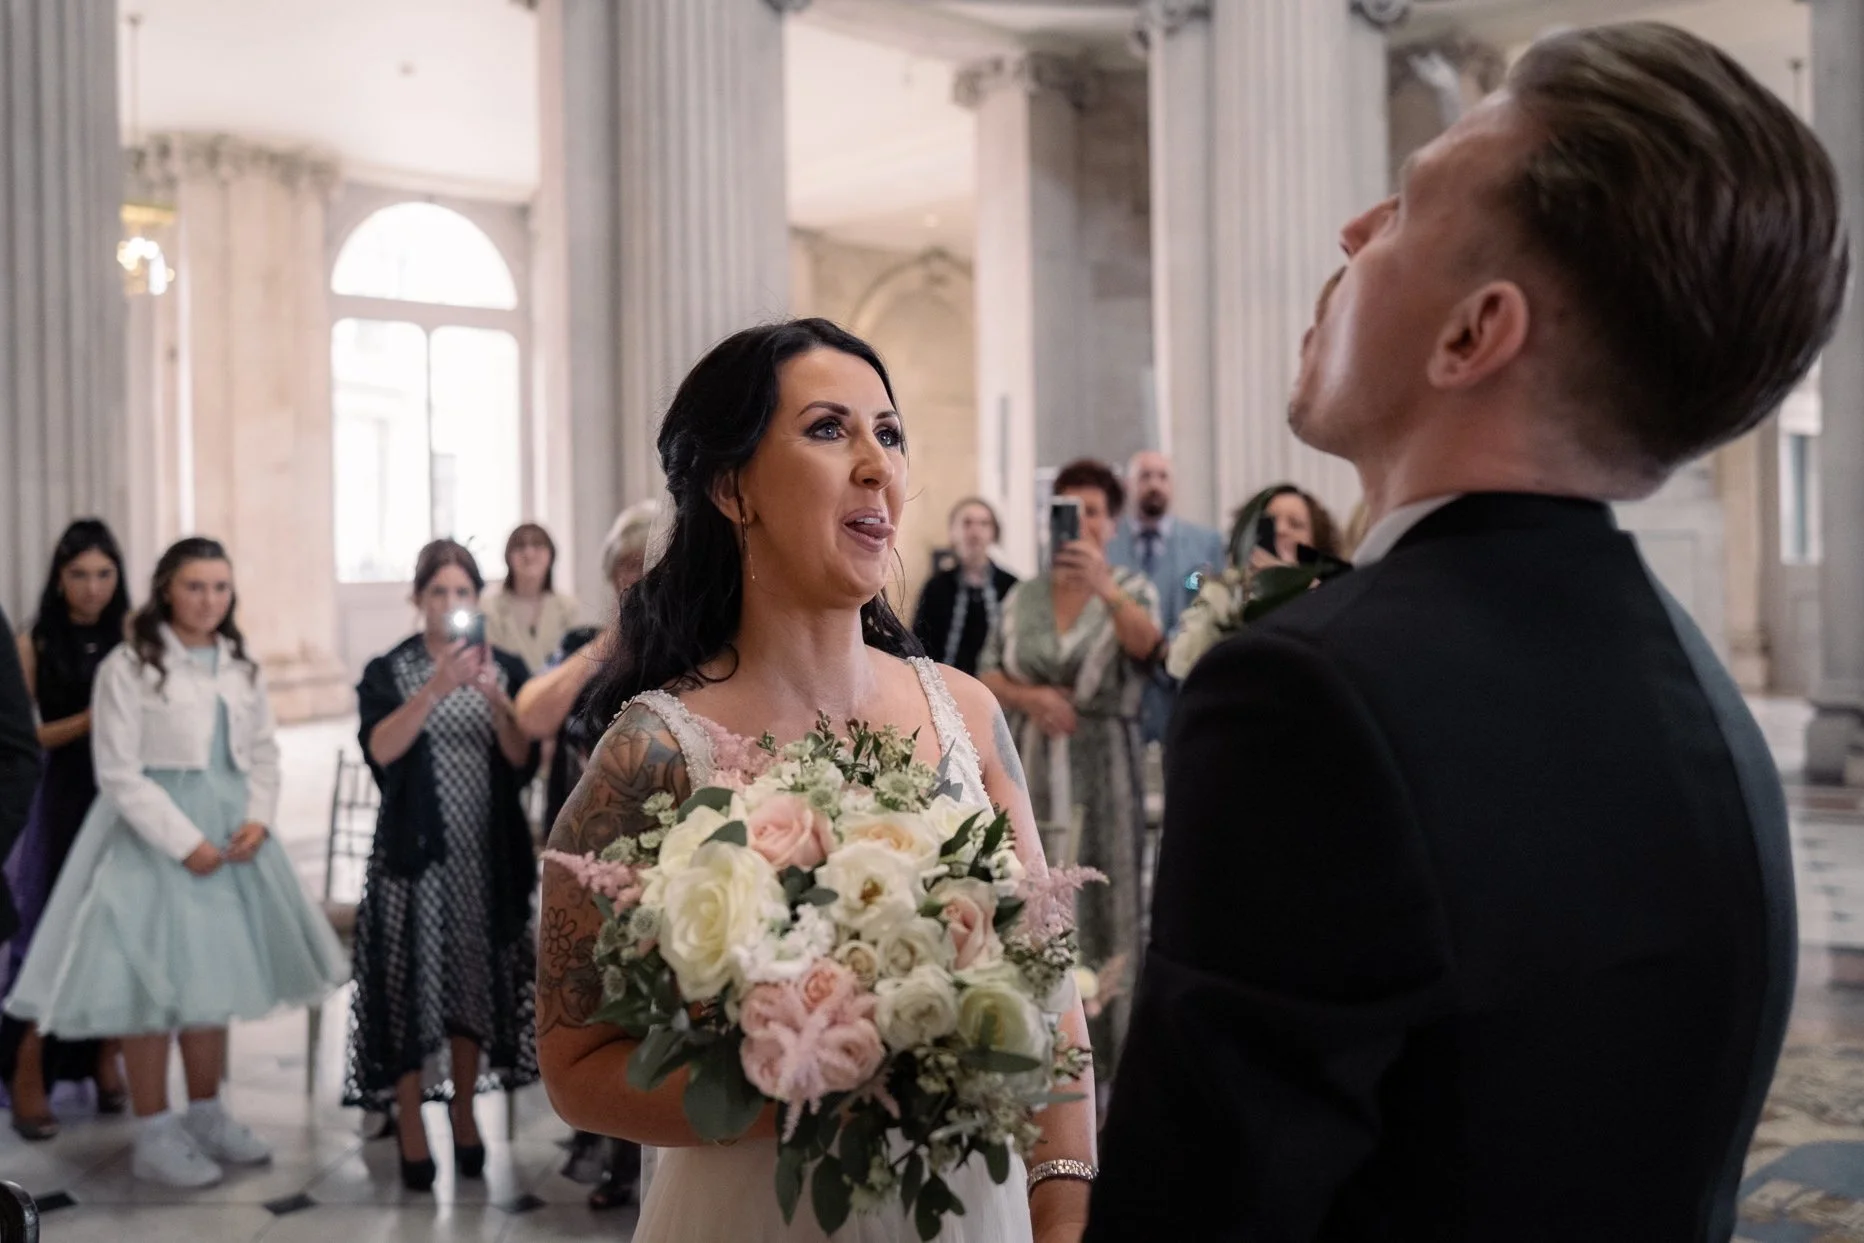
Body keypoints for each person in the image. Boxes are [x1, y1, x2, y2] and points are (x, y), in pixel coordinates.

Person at [1089, 23, 1846, 1242]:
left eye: (1404, 209)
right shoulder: (1699, 690)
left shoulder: (1311, 697)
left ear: (1469, 335)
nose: (1348, 230)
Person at [536, 318, 1098, 1243]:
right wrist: (824, 1078)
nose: (878, 464)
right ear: (731, 486)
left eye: (891, 432)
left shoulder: (969, 713)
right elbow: (576, 1064)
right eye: (831, 429)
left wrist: (1065, 1205)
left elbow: (1054, 1002)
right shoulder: (653, 752)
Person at [3, 538, 348, 1188]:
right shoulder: (129, 665)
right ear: (167, 589)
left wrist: (258, 817)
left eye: (220, 587)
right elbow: (119, 771)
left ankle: (208, 1110)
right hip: (153, 840)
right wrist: (183, 839)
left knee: (208, 981)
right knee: (152, 987)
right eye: (195, 586)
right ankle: (156, 1127)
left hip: (233, 837)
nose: (209, 600)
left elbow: (265, 751)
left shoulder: (239, 665)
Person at [347, 539, 541, 1192]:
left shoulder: (506, 665)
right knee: (406, 993)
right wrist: (436, 688)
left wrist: (493, 697)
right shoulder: (389, 669)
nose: (451, 604)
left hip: (484, 856)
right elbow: (381, 749)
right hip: (412, 859)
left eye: (462, 593)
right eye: (439, 593)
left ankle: (463, 1112)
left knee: (471, 983)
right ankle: (408, 1117)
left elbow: (522, 761)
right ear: (417, 598)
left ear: (477, 600)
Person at [978, 459, 1161, 1074]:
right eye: (1067, 512)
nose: (1080, 524)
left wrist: (1105, 590)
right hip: (1029, 768)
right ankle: (1038, 1060)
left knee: (1109, 909)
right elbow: (986, 673)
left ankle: (1110, 1076)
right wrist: (1031, 697)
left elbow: (1150, 649)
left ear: (1112, 524)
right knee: (1031, 903)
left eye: (1092, 513)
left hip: (1105, 772)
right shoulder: (1023, 595)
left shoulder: (1131, 589)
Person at [515, 500, 656, 1211]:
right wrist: (608, 640)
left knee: (642, 999)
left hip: (648, 856)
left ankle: (632, 1156)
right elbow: (533, 715)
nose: (636, 583)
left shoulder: (682, 647)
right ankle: (596, 1131)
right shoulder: (586, 638)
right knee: (584, 993)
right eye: (625, 571)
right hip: (575, 847)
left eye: (649, 571)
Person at [3, 520, 132, 1139]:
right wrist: (94, 716)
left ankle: (107, 1058)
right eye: (79, 574)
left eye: (104, 574)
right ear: (59, 578)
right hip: (61, 793)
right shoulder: (34, 641)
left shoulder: (132, 636)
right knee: (51, 934)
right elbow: (26, 736)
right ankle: (27, 1067)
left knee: (117, 930)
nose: (92, 588)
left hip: (121, 793)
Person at [1106, 452, 1223, 746]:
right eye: (1145, 476)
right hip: (1120, 692)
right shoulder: (1107, 544)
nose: (1154, 485)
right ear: (1129, 485)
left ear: (1172, 485)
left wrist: (1172, 650)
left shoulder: (1207, 544)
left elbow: (1215, 605)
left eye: (1162, 477)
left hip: (1182, 691)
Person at [910, 497, 1019, 676]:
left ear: (994, 533)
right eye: (967, 523)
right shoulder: (935, 587)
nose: (975, 532)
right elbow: (918, 644)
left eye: (984, 524)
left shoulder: (1011, 586)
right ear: (953, 531)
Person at [483, 522, 580, 674]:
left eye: (537, 545)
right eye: (520, 547)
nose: (529, 554)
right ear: (508, 557)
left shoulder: (567, 607)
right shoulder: (490, 607)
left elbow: (575, 662)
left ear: (551, 555)